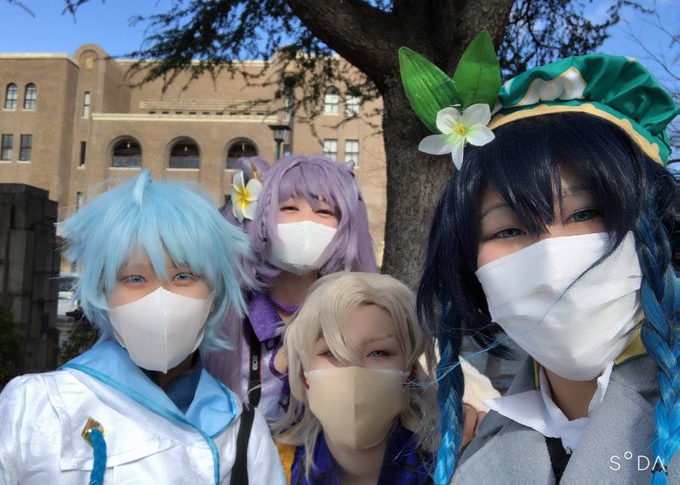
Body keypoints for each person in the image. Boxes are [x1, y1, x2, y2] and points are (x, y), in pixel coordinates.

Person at [406, 46, 680, 482]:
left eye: (586, 213)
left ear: (655, 224)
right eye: (507, 231)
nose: (552, 261)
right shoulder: (476, 455)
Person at [0, 171, 285, 484]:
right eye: (134, 278)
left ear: (215, 295)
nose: (160, 297)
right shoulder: (37, 407)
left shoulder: (242, 432)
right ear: (103, 293)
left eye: (183, 276)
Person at [203, 154, 378, 424]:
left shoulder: (357, 316)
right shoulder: (229, 316)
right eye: (289, 208)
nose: (306, 223)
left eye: (324, 212)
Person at [277, 272, 438, 484]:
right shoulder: (273, 466)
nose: (353, 373)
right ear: (303, 375)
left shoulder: (451, 463)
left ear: (410, 371)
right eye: (331, 353)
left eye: (378, 352)